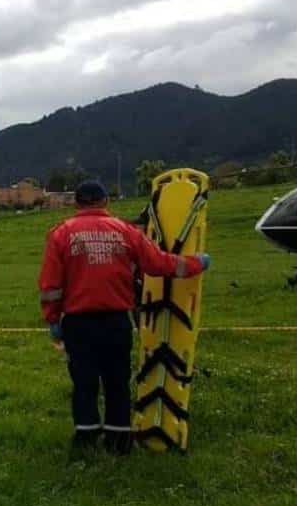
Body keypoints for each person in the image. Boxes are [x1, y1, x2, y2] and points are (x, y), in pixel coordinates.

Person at [39, 181, 211, 456]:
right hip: (116, 321)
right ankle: (119, 439)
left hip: (78, 324)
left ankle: (86, 437)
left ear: (76, 203)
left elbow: (50, 286)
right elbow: (159, 264)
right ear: (106, 201)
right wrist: (196, 263)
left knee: (84, 382)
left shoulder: (61, 234)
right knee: (117, 381)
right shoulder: (125, 231)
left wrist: (53, 321)